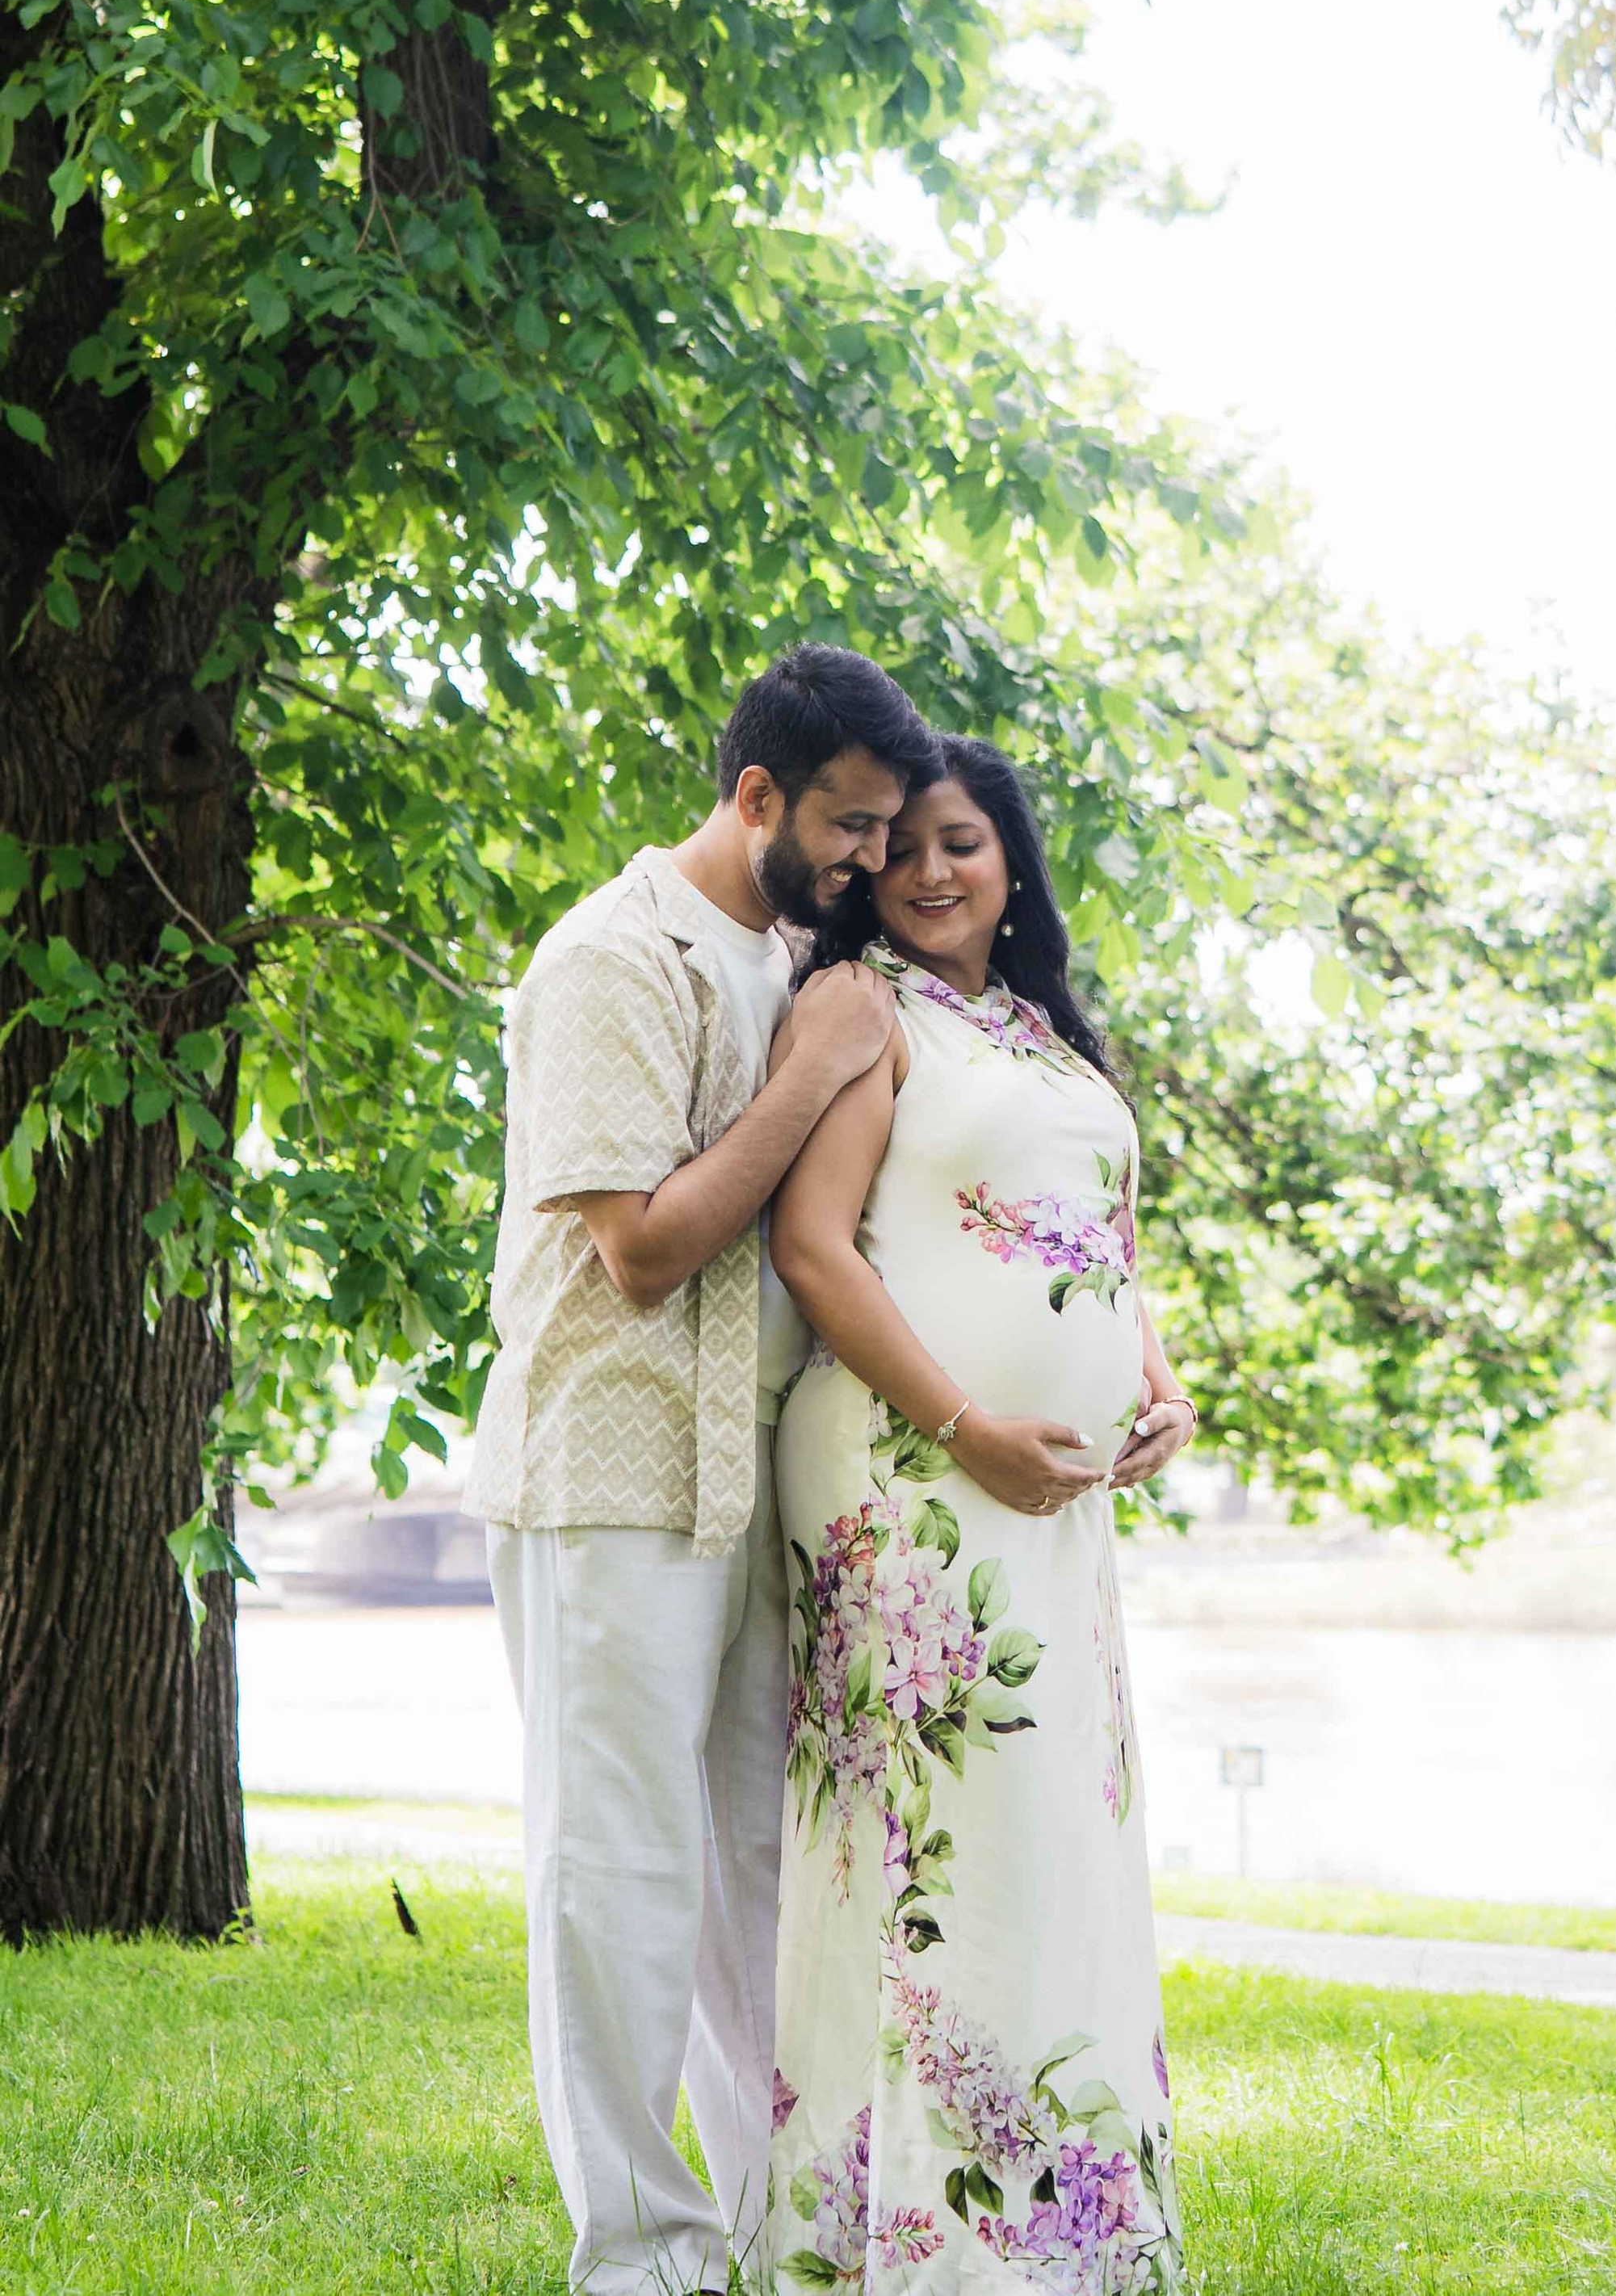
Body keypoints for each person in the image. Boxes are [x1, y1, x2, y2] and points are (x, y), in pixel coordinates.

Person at [463, 644, 940, 2296]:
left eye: (885, 828)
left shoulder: (811, 952)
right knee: (615, 1876)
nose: (873, 858)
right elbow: (645, 1251)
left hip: (757, 1478)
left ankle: (774, 2229)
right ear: (755, 796)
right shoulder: (610, 957)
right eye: (852, 824)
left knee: (759, 1867)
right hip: (607, 1472)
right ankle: (641, 2259)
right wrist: (804, 1070)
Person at [760, 736, 1198, 2292]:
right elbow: (819, 1251)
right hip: (910, 1482)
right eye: (905, 850)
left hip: (1048, 1506)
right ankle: (906, 2249)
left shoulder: (1045, 1036)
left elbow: (1101, 1238)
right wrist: (964, 1426)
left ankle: (1050, 2234)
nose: (934, 872)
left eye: (965, 844)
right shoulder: (866, 1011)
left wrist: (1153, 1378)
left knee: (1049, 1845)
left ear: (1013, 860)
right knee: (935, 1856)